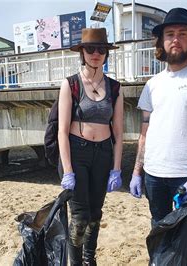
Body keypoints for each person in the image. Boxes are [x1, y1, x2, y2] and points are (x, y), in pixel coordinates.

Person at [129, 8, 187, 265]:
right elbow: (145, 131)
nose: (175, 39)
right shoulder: (152, 84)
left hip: (185, 175)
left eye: (182, 34)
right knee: (159, 227)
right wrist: (137, 171)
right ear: (161, 41)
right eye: (169, 34)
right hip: (153, 174)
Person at [58, 27, 124, 266]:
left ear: (106, 53)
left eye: (101, 49)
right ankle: (75, 262)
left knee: (95, 214)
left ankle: (89, 260)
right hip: (77, 153)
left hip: (103, 154)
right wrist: (67, 170)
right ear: (82, 52)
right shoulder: (71, 85)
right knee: (80, 216)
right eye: (90, 49)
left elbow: (118, 131)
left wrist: (116, 168)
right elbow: (62, 131)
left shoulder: (115, 88)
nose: (95, 53)